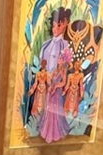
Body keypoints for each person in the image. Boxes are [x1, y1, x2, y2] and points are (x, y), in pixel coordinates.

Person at [38, 9, 75, 143]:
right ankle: (46, 131)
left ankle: (55, 132)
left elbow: (64, 72)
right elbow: (43, 65)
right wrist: (48, 78)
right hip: (48, 83)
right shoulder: (46, 46)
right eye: (53, 25)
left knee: (56, 109)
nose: (55, 29)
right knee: (48, 108)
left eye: (59, 25)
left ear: (65, 23)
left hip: (56, 86)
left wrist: (56, 84)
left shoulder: (65, 46)